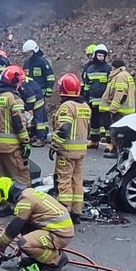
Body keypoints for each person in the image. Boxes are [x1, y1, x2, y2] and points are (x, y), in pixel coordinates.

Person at [0, 176, 74, 271]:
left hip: (60, 233)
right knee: (25, 226)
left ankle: (56, 260)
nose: (10, 205)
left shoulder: (24, 200)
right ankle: (38, 257)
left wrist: (0, 247)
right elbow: (23, 226)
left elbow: (13, 228)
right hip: (58, 228)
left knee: (24, 243)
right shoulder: (28, 192)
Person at [0, 66, 31, 217]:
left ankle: (1, 207)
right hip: (13, 146)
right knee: (21, 176)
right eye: (20, 81)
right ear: (14, 82)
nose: (20, 84)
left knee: (0, 177)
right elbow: (18, 123)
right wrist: (25, 141)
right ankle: (25, 209)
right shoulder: (15, 99)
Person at [51, 74, 92, 223]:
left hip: (67, 151)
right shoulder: (85, 106)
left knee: (64, 180)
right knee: (77, 181)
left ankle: (64, 210)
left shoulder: (67, 107)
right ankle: (76, 212)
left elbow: (65, 128)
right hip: (81, 151)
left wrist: (55, 143)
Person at [100, 58, 136, 158]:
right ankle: (121, 151)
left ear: (115, 67)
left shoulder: (120, 76)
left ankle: (117, 151)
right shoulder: (125, 75)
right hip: (125, 109)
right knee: (123, 132)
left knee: (117, 132)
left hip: (121, 110)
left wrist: (113, 107)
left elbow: (120, 93)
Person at [20, 77, 49, 147]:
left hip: (36, 100)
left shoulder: (22, 85)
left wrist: (30, 109)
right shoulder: (20, 81)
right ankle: (34, 135)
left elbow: (31, 97)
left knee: (38, 120)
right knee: (33, 119)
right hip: (35, 97)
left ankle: (41, 138)